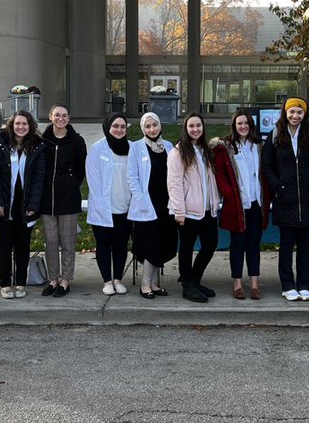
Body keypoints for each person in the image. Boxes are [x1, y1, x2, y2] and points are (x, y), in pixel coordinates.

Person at [262, 97, 309, 302]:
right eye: (292, 112)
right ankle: (288, 285)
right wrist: (276, 185)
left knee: (305, 246)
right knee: (286, 246)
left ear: (305, 114)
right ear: (285, 113)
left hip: (308, 199)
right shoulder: (276, 135)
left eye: (299, 112)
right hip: (285, 199)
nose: (295, 116)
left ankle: (304, 285)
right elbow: (267, 165)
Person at [0, 111, 46, 299]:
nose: (21, 127)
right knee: (5, 245)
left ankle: (20, 282)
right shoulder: (0, 144)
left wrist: (34, 205)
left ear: (30, 126)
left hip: (26, 205)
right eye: (17, 124)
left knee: (23, 245)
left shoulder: (37, 146)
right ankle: (5, 283)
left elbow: (39, 178)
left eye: (25, 124)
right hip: (4, 204)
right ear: (11, 125)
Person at [211, 110, 268, 300]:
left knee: (254, 245)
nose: (243, 126)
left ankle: (254, 284)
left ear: (251, 126)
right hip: (237, 205)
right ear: (234, 126)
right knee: (237, 245)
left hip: (256, 204)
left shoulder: (259, 146)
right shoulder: (225, 147)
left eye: (246, 123)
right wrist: (229, 194)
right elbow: (219, 174)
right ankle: (237, 283)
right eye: (239, 123)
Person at [167, 112, 221, 303]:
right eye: (191, 126)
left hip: (207, 209)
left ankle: (194, 279)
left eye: (198, 125)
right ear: (186, 128)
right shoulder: (178, 152)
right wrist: (179, 211)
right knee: (187, 248)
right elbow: (174, 183)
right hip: (187, 211)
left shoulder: (205, 150)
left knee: (210, 244)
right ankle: (187, 287)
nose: (195, 129)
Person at [127, 112, 177, 298]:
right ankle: (145, 285)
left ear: (160, 125)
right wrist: (141, 199)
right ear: (143, 129)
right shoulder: (137, 147)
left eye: (154, 125)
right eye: (147, 126)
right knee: (150, 245)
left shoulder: (169, 146)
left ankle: (154, 283)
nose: (152, 129)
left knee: (163, 244)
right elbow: (131, 176)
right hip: (147, 205)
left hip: (165, 204)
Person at [39, 104, 86, 297]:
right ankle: (53, 279)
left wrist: (70, 185)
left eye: (64, 115)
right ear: (50, 116)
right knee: (50, 242)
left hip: (68, 199)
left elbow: (80, 170)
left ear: (69, 118)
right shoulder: (42, 141)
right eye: (57, 115)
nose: (60, 118)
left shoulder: (76, 141)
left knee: (67, 243)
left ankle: (65, 280)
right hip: (46, 201)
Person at [86, 112, 134, 296]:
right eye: (115, 126)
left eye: (122, 127)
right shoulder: (97, 149)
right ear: (107, 127)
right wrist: (100, 204)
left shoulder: (132, 148)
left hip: (125, 207)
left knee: (121, 245)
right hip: (103, 208)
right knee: (104, 245)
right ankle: (107, 280)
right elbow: (93, 180)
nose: (119, 130)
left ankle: (118, 279)